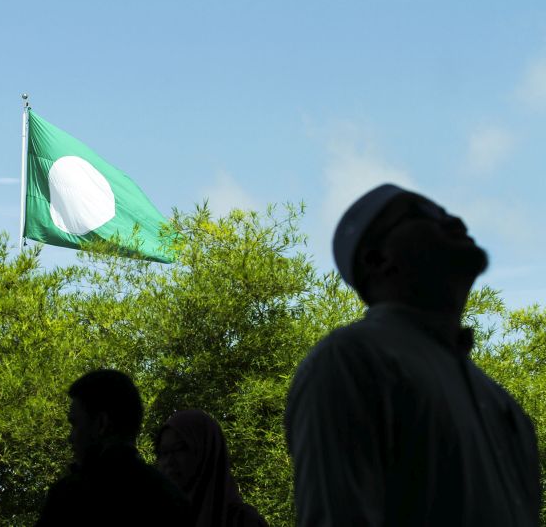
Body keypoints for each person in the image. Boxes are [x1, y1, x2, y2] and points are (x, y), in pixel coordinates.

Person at [284, 184, 540, 526]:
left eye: (446, 211)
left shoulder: (499, 401)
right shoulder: (350, 362)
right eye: (426, 214)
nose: (455, 221)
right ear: (378, 259)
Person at [35, 369, 192, 526]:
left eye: (75, 424)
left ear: (102, 423)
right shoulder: (172, 499)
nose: (70, 437)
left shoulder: (70, 497)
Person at [156, 410, 268, 527]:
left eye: (179, 449)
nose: (168, 462)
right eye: (163, 453)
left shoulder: (242, 521)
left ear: (206, 452)